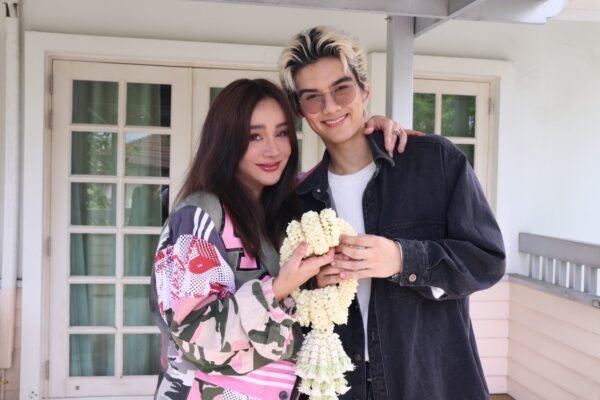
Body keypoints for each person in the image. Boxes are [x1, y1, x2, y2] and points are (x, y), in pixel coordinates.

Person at [279, 26, 506, 400]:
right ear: (300, 110)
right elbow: (289, 299)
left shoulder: (435, 163)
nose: (330, 106)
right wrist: (313, 283)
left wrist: (403, 259)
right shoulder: (299, 201)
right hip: (340, 387)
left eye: (341, 89)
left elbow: (487, 261)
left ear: (365, 90)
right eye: (312, 97)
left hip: (427, 384)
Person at [150, 78, 410, 400]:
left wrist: (369, 134)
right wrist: (278, 288)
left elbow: (343, 168)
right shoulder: (200, 217)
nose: (273, 149)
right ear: (225, 140)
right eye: (254, 136)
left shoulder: (290, 206)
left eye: (283, 133)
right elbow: (194, 338)